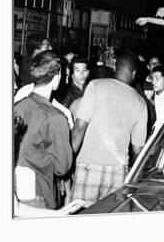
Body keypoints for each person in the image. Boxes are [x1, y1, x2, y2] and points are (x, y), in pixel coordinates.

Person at [71, 49, 148, 207]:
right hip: (118, 171)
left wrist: (68, 160)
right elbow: (138, 149)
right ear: (134, 73)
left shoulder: (95, 86)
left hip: (88, 166)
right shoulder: (140, 102)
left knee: (79, 218)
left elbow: (79, 127)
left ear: (115, 67)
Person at [13, 51, 73, 210]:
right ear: (57, 77)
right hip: (38, 194)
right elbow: (62, 167)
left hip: (13, 190)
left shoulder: (18, 106)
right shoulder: (55, 118)